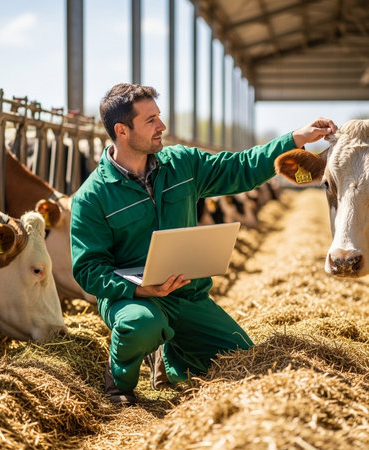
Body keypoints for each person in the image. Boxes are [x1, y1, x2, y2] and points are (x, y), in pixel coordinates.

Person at [70, 83, 337, 405]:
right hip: (132, 298)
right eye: (151, 120)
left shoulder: (181, 164)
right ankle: (119, 383)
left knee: (241, 359)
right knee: (141, 325)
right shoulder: (93, 197)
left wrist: (295, 139)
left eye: (159, 116)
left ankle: (171, 361)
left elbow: (241, 168)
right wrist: (140, 289)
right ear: (122, 131)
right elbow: (88, 269)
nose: (162, 126)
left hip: (187, 292)